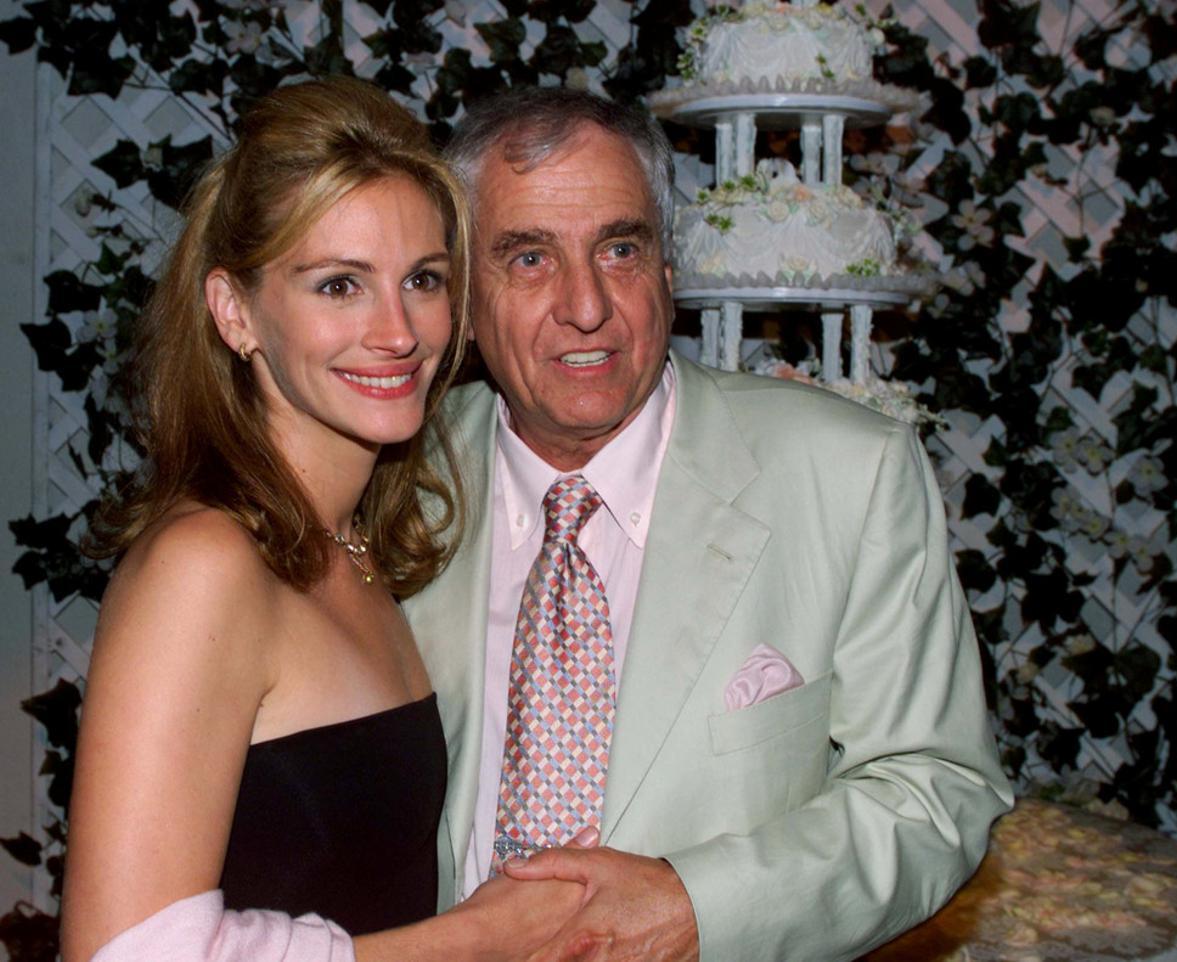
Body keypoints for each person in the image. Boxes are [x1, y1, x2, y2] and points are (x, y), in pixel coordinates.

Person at [404, 86, 1014, 962]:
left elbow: (935, 788)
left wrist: (701, 907)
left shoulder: (849, 475)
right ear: (464, 292)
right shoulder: (394, 485)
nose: (586, 306)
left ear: (667, 270)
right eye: (530, 259)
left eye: (619, 247)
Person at [60, 76, 585, 962]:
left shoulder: (366, 549)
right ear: (235, 312)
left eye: (422, 279)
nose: (398, 332)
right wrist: (479, 940)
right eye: (339, 285)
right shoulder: (207, 564)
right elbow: (124, 955)